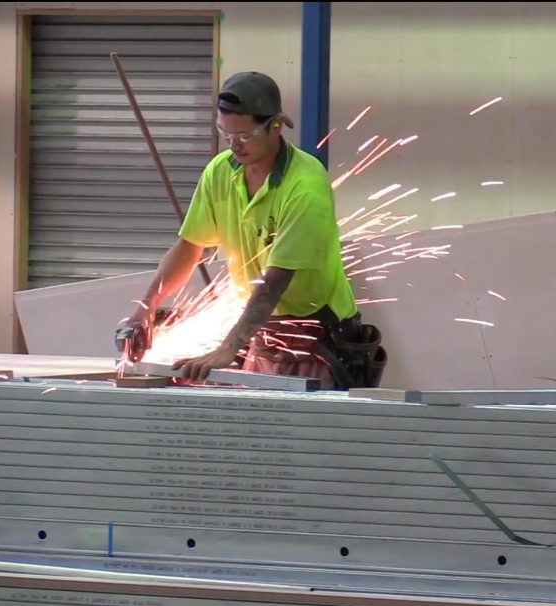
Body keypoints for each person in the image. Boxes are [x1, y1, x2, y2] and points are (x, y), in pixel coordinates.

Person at [118, 71, 384, 388]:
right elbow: (189, 248)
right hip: (262, 327)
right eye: (225, 135)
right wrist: (145, 308)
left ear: (274, 126)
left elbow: (274, 282)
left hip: (318, 336)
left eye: (244, 136)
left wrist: (230, 346)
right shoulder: (220, 171)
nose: (234, 146)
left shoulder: (305, 187)